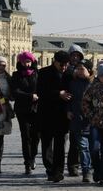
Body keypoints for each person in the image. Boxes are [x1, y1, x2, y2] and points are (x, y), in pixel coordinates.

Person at [37, 50, 72, 182]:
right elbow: (40, 91)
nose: (63, 67)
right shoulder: (44, 73)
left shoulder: (69, 74)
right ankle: (50, 168)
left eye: (65, 65)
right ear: (55, 61)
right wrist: (58, 93)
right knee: (46, 144)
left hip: (63, 114)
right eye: (61, 64)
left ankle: (58, 171)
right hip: (46, 113)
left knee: (60, 144)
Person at [10, 51, 40, 174]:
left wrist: (38, 96)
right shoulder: (16, 75)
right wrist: (30, 96)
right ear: (20, 62)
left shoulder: (37, 74)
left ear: (32, 61)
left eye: (28, 61)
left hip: (37, 109)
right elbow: (15, 91)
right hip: (22, 109)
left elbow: (42, 89)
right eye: (24, 62)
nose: (26, 64)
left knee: (36, 136)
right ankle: (27, 162)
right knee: (25, 135)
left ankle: (33, 157)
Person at [67, 59, 94, 183]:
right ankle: (86, 171)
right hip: (78, 120)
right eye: (77, 68)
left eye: (82, 69)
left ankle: (97, 170)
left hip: (93, 121)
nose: (79, 71)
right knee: (83, 147)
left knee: (94, 148)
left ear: (89, 70)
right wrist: (68, 110)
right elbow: (69, 99)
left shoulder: (95, 84)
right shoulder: (72, 83)